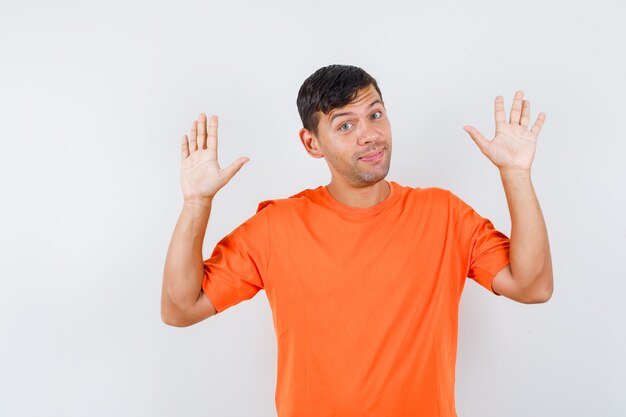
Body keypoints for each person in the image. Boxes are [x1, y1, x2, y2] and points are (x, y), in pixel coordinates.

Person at [161, 64, 553, 417]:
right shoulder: (276, 226)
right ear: (312, 143)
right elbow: (181, 309)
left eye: (375, 115)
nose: (370, 135)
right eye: (345, 125)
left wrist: (516, 174)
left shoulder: (444, 214)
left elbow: (532, 286)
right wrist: (197, 203)